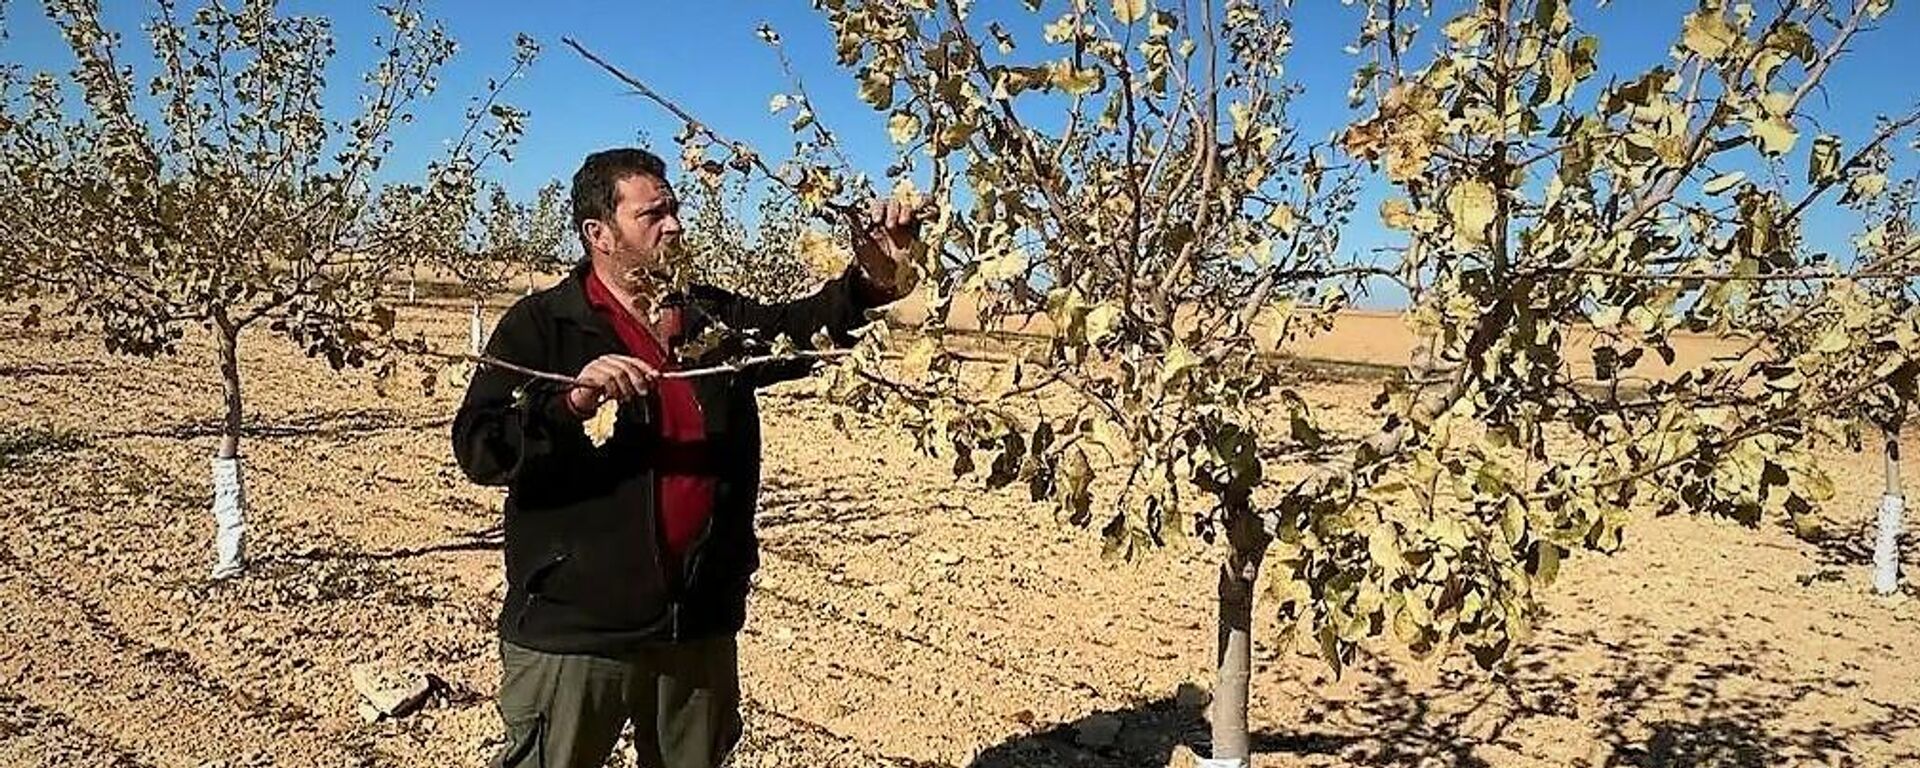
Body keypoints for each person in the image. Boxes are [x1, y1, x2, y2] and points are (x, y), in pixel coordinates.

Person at [451, 147, 921, 768]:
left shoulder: (708, 317)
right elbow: (481, 447)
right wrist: (569, 401)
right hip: (578, 626)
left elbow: (803, 327)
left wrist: (872, 276)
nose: (673, 224)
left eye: (673, 208)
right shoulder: (546, 326)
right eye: (652, 214)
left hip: (696, 620)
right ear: (600, 233)